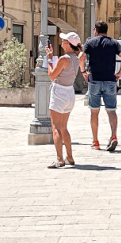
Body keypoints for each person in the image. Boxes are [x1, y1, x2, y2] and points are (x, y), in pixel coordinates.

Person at [82, 20, 121, 152]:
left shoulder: (90, 42)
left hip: (95, 80)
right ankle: (113, 136)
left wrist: (84, 72)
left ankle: (95, 141)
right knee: (111, 110)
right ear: (107, 31)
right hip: (110, 80)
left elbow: (81, 56)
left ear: (95, 30)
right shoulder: (113, 43)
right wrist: (120, 72)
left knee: (94, 111)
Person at [47, 31, 83, 169]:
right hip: (69, 92)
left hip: (59, 92)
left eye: (64, 40)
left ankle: (59, 158)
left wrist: (50, 59)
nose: (62, 42)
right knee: (64, 127)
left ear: (68, 44)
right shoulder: (76, 58)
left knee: (55, 127)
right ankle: (69, 156)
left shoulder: (64, 59)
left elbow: (51, 75)